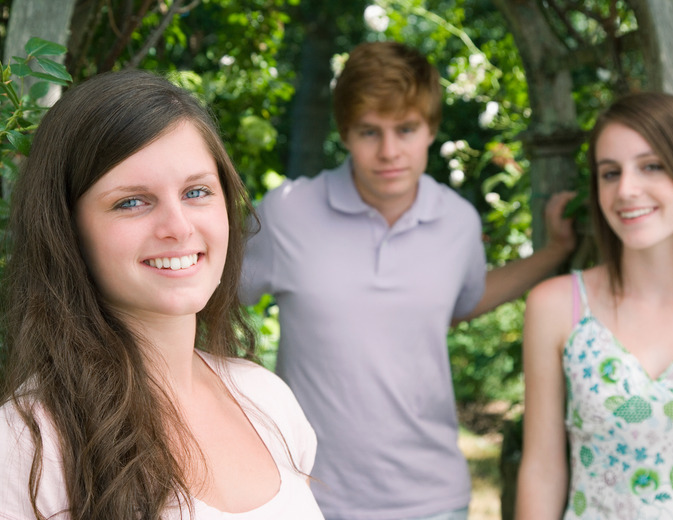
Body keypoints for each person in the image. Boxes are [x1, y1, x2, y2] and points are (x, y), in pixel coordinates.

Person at [0, 70, 324, 520]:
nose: (178, 227)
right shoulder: (25, 448)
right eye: (132, 201)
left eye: (196, 192)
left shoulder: (268, 400)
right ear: (66, 230)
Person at [240, 41, 576, 520]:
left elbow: (465, 301)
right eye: (369, 132)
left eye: (406, 129)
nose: (389, 152)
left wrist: (555, 252)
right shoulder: (287, 214)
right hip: (310, 499)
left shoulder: (457, 222)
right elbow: (205, 300)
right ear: (345, 132)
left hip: (432, 499)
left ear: (431, 129)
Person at [515, 92, 673, 519]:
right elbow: (542, 470)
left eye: (651, 166)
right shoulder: (558, 307)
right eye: (610, 173)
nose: (626, 190)